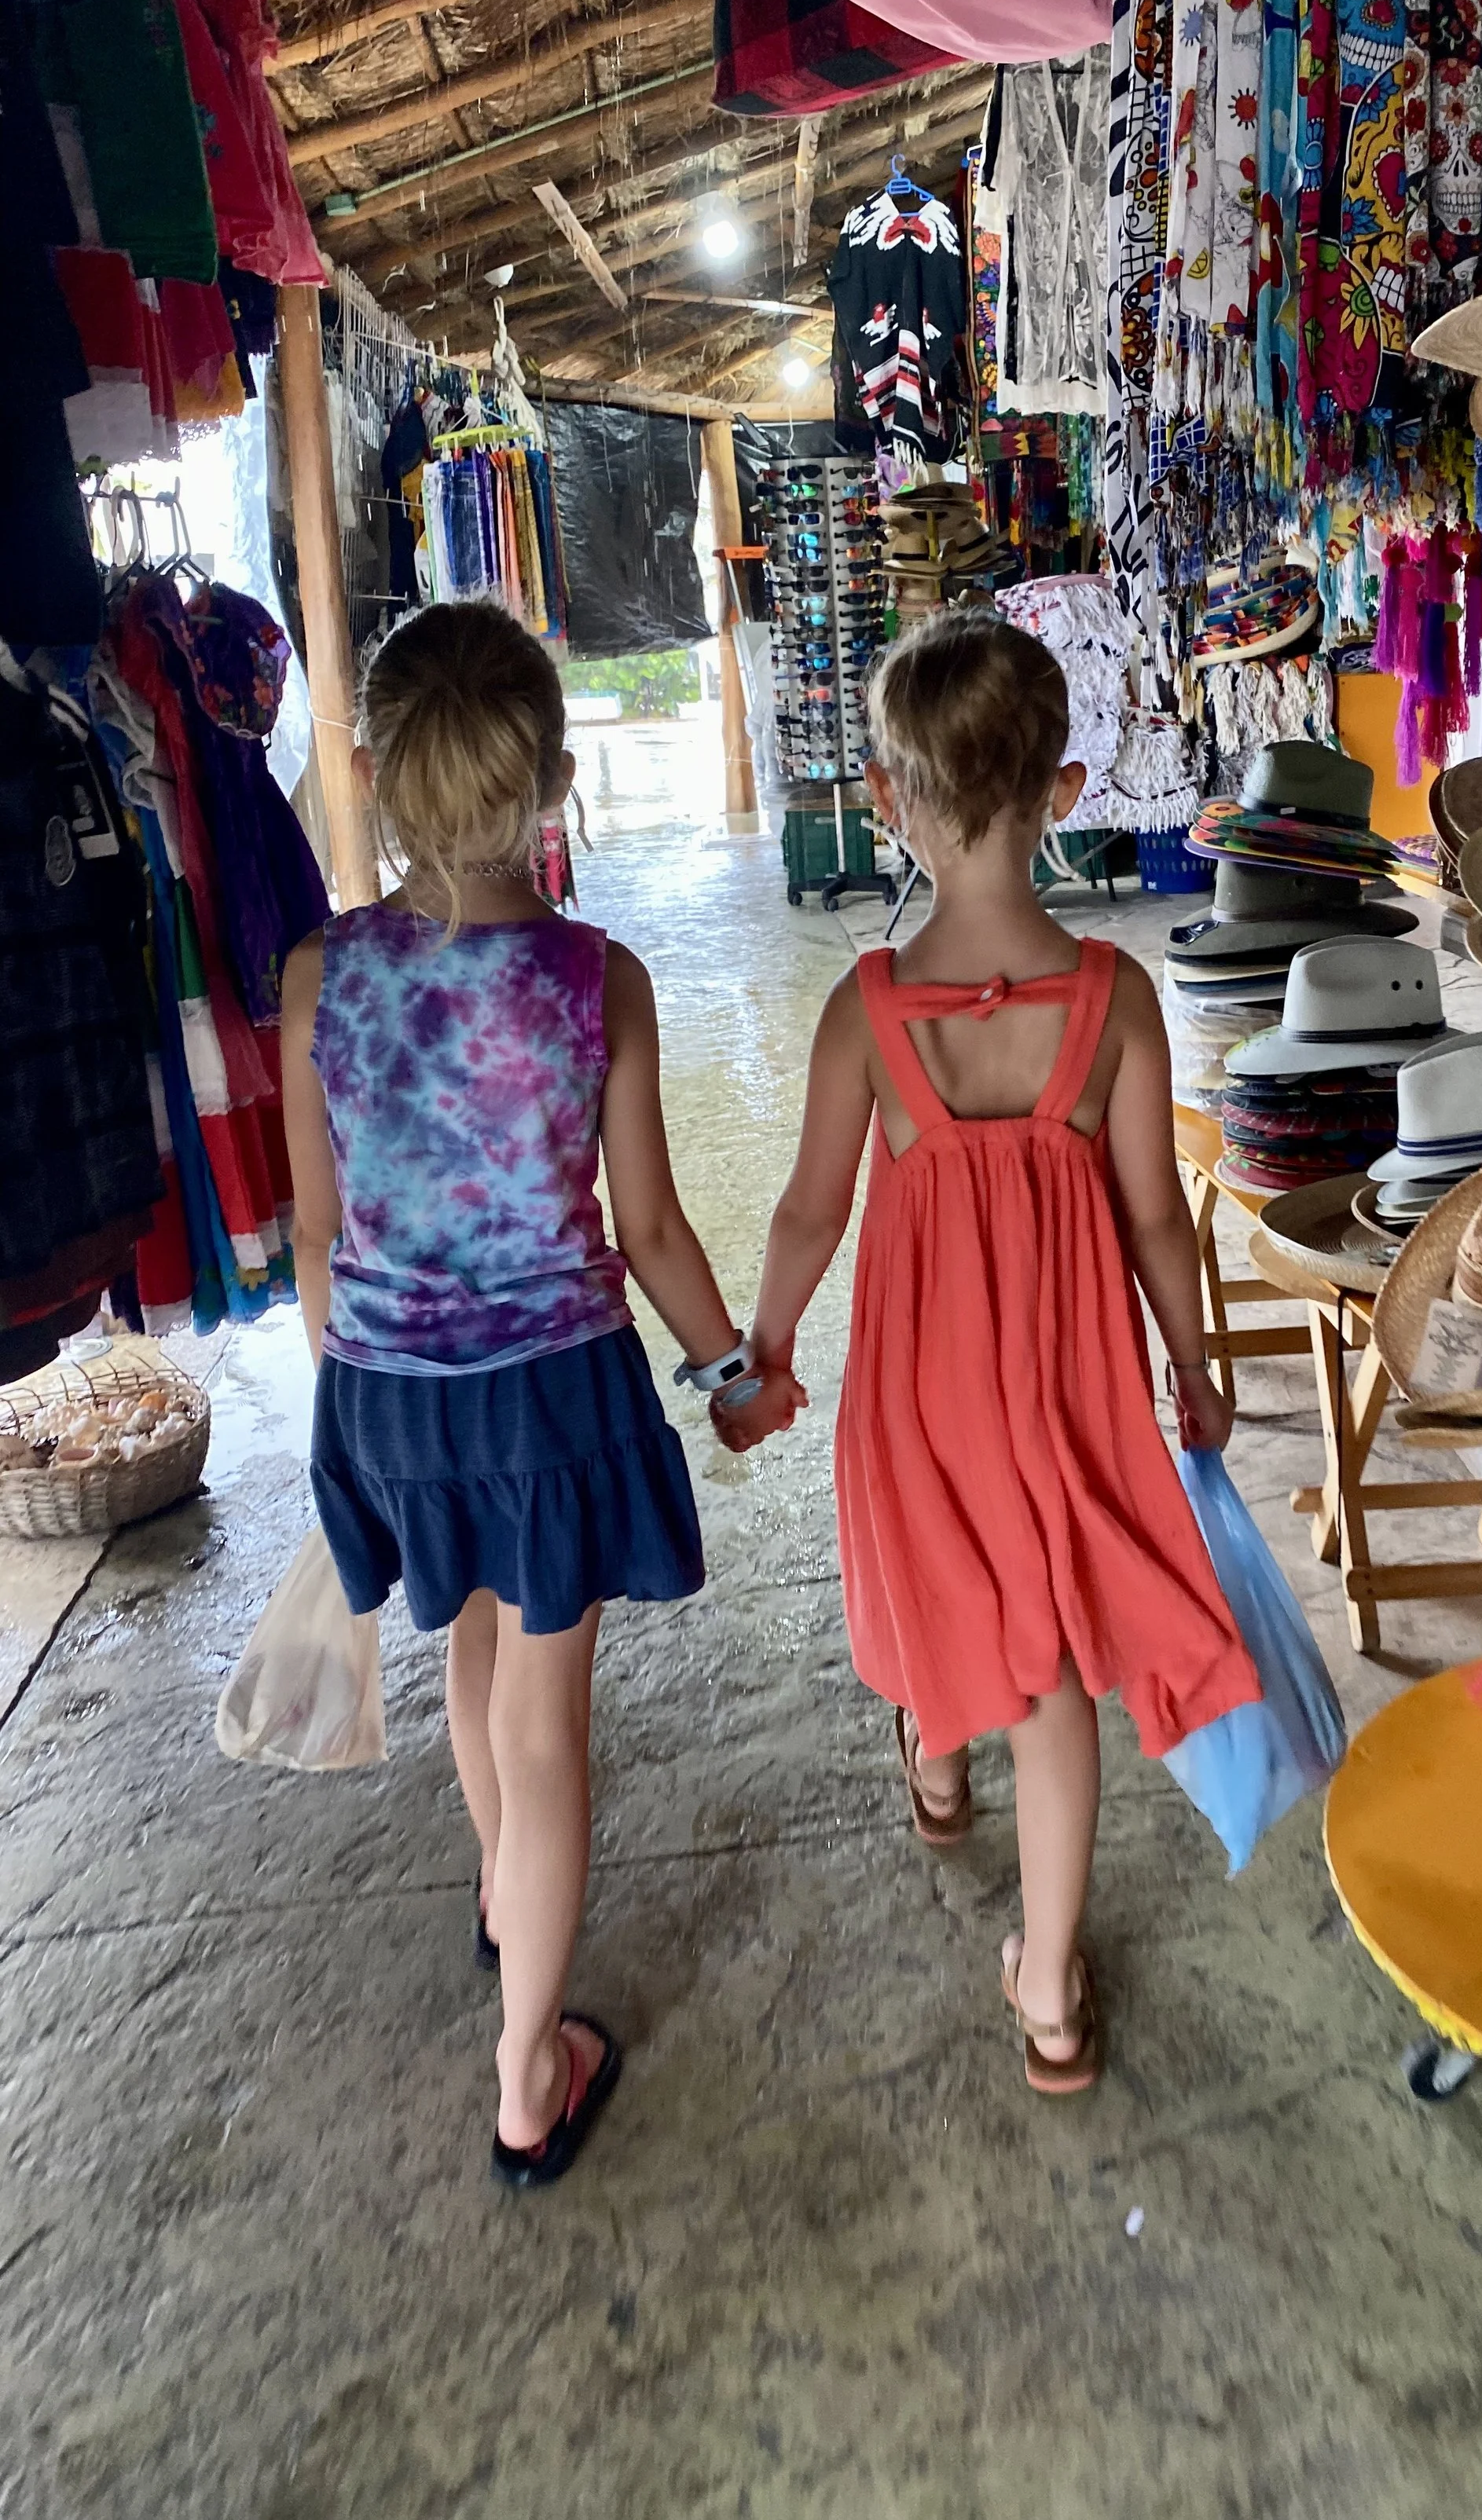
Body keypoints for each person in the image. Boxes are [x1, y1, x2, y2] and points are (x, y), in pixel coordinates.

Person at [716, 611, 1260, 2093]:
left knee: (939, 1583)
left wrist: (764, 1347)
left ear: (886, 801)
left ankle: (939, 1768)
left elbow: (810, 1209)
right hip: (1069, 1399)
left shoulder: (867, 1011)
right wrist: (1193, 1365)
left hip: (919, 1398)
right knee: (1052, 1674)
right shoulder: (1114, 1000)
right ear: (1066, 792)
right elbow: (1156, 1218)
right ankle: (1050, 1992)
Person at [281, 601, 778, 2189]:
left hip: (385, 1391)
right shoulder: (594, 978)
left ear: (375, 770)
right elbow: (653, 1228)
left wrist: (354, 1398)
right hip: (551, 1400)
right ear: (555, 779)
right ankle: (527, 2070)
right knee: (548, 1727)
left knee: (471, 1649)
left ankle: (509, 1897)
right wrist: (732, 1374)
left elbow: (314, 1230)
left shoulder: (319, 977)